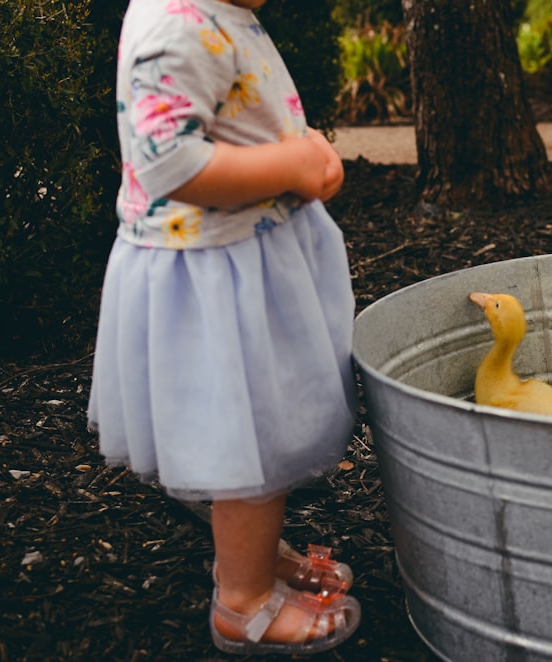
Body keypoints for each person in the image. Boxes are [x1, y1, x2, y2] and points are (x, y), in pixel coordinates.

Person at [87, 0, 361, 654]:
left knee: (262, 428)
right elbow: (169, 164)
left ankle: (256, 559)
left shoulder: (217, 11)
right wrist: (293, 167)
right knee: (254, 441)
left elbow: (237, 117)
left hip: (244, 255)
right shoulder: (175, 27)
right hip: (216, 274)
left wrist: (303, 149)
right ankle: (242, 601)